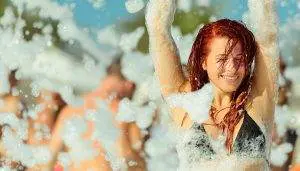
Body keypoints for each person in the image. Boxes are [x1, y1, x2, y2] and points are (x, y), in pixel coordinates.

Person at [145, 0, 278, 170]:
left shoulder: (258, 101)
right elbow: (158, 29)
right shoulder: (186, 104)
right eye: (222, 59)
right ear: (204, 62)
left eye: (239, 59)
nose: (232, 68)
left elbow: (268, 36)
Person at [36, 61, 145, 171]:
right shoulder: (124, 112)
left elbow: (47, 160)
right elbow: (131, 161)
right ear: (130, 84)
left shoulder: (71, 109)